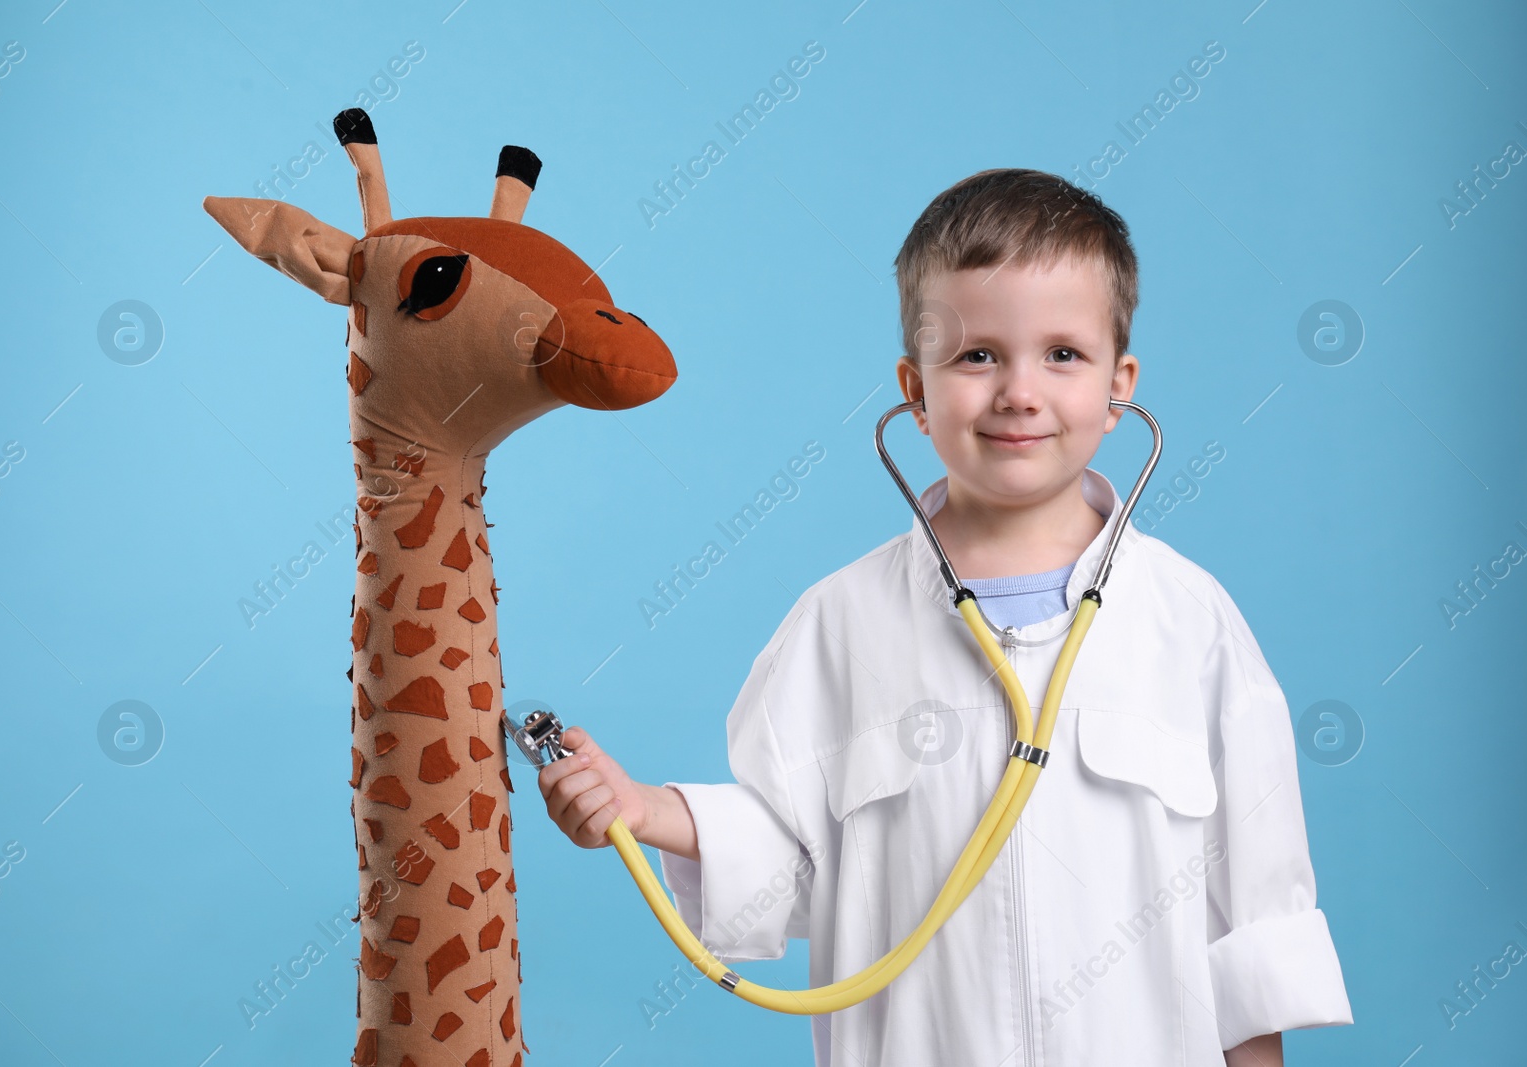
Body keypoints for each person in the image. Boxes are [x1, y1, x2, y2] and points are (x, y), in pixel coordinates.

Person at [538, 169, 1353, 1066]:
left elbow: (1255, 909)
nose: (1018, 391)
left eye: (1063, 354)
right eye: (976, 356)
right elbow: (791, 859)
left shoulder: (1190, 620)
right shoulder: (838, 623)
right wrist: (644, 809)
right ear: (915, 391)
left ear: (1120, 386)